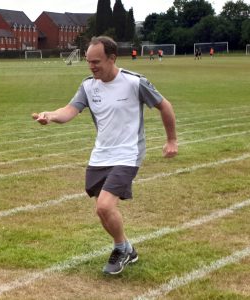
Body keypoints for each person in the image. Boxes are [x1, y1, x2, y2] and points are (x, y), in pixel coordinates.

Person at [32, 36, 178, 275]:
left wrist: (171, 140)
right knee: (102, 210)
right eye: (89, 61)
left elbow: (165, 106)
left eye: (96, 61)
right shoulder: (89, 86)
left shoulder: (134, 82)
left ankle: (121, 249)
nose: (92, 66)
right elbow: (70, 110)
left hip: (128, 153)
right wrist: (51, 115)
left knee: (104, 205)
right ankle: (127, 248)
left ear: (112, 58)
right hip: (101, 155)